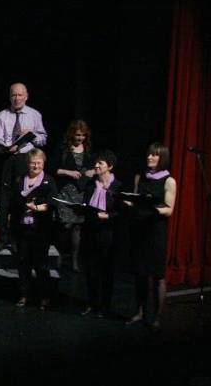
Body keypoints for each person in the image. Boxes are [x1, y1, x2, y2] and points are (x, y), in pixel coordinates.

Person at [126, 143, 177, 328]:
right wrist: (126, 201)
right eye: (149, 154)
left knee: (157, 276)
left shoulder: (169, 181)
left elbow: (169, 210)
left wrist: (151, 209)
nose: (149, 157)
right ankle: (140, 312)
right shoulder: (140, 176)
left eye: (154, 155)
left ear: (162, 158)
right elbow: (135, 199)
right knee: (140, 274)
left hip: (156, 231)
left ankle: (157, 317)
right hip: (140, 229)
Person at [0, 83, 48, 241]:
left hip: (25, 159)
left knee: (21, 196)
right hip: (7, 158)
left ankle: (18, 237)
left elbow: (43, 139)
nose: (17, 98)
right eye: (14, 95)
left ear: (26, 96)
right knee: (4, 197)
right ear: (10, 97)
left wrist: (31, 135)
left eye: (20, 95)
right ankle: (3, 237)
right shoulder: (2, 115)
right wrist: (4, 147)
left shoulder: (34, 115)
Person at [8, 148, 57, 310]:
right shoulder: (20, 179)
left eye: (39, 163)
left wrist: (37, 208)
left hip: (40, 229)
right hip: (22, 228)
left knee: (41, 264)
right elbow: (13, 201)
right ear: (27, 164)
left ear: (44, 163)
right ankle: (24, 295)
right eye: (33, 163)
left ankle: (44, 297)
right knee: (23, 263)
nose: (36, 166)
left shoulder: (48, 180)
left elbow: (52, 202)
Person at [81, 150, 121, 318]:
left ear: (109, 167)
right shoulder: (90, 185)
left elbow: (121, 211)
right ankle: (92, 303)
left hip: (108, 234)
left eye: (100, 163)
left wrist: (108, 216)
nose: (96, 166)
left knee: (106, 271)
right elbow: (85, 206)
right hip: (91, 231)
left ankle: (104, 306)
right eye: (96, 163)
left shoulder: (117, 186)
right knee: (91, 270)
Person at [53, 120, 94, 271]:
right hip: (65, 192)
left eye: (83, 135)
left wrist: (92, 171)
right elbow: (53, 169)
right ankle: (59, 257)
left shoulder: (88, 149)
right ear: (72, 134)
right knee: (65, 226)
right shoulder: (63, 149)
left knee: (77, 227)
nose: (80, 138)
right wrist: (68, 172)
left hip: (80, 192)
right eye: (78, 135)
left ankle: (75, 261)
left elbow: (95, 167)